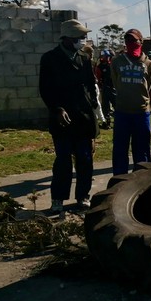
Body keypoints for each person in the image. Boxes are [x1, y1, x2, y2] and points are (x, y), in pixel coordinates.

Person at [39, 19, 101, 213]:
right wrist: (56, 108)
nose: (83, 40)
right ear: (67, 38)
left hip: (83, 118)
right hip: (62, 120)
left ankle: (83, 196)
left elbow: (91, 86)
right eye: (79, 37)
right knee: (63, 161)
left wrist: (95, 112)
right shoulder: (49, 58)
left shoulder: (84, 58)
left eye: (83, 37)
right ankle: (58, 198)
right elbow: (45, 88)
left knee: (85, 160)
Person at [110, 28, 151, 175]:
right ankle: (119, 181)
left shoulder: (149, 64)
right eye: (128, 40)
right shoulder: (117, 62)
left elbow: (148, 85)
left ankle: (142, 180)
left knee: (142, 150)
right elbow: (115, 82)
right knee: (120, 149)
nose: (131, 43)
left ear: (141, 42)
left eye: (134, 40)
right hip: (122, 112)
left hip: (141, 113)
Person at [95, 49, 116, 127]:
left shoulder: (112, 65)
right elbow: (98, 77)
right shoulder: (100, 66)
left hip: (113, 88)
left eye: (108, 56)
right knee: (105, 107)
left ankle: (118, 121)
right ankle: (107, 122)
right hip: (105, 88)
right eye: (105, 56)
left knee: (116, 104)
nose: (107, 58)